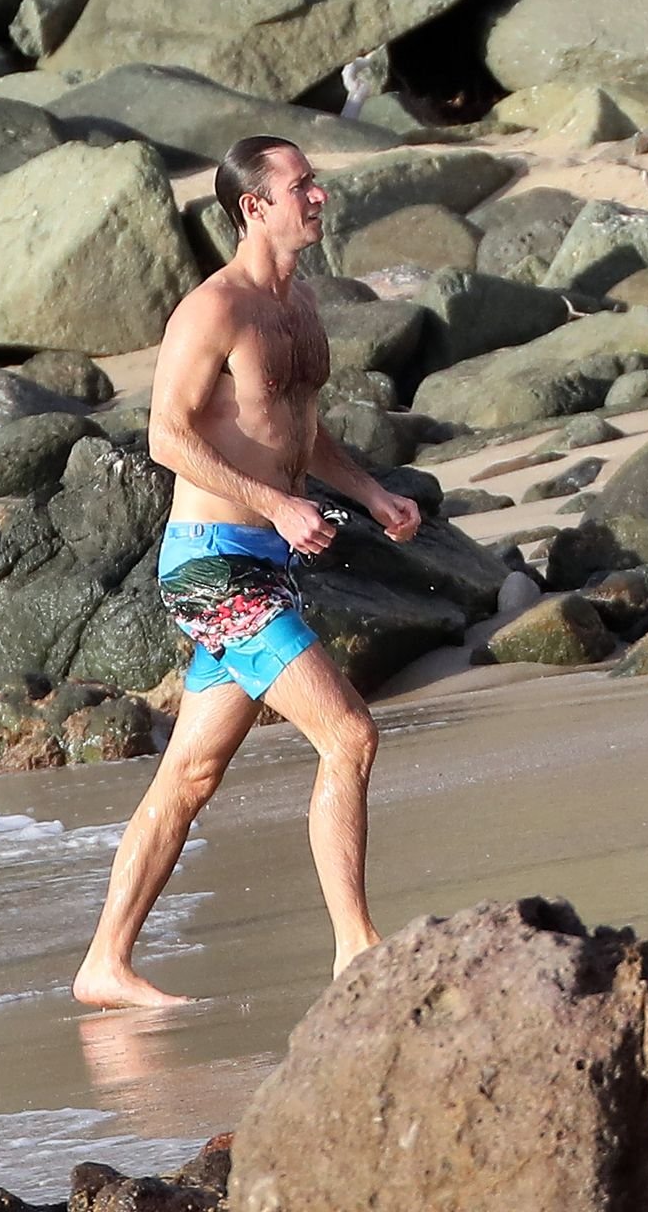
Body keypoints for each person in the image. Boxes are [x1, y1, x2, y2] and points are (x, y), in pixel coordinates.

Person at [71, 136, 422, 1009]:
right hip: (212, 564)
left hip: (263, 559)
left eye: (316, 183)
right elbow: (166, 437)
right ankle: (355, 948)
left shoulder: (300, 304)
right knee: (349, 735)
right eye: (302, 186)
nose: (319, 196)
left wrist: (369, 492)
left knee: (190, 775)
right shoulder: (212, 311)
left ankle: (104, 964)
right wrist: (276, 503)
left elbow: (297, 425)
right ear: (254, 207)